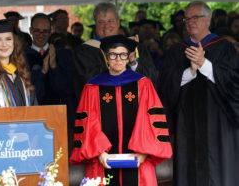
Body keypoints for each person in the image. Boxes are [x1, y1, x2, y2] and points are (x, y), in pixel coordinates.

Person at [70, 35, 172, 186]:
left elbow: (151, 121)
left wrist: (143, 153)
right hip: (102, 159)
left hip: (138, 159)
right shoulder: (92, 87)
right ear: (106, 57)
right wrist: (99, 152)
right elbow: (87, 122)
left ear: (128, 57)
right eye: (113, 54)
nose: (118, 59)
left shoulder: (143, 85)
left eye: (123, 54)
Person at [159, 1, 239, 186]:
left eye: (196, 17)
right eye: (187, 18)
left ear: (208, 19)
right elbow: (166, 87)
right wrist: (190, 72)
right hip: (186, 126)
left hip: (218, 125)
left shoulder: (224, 48)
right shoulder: (177, 51)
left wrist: (205, 65)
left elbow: (235, 85)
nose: (190, 22)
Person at [72, 2, 157, 101]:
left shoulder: (135, 47)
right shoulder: (84, 51)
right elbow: (84, 83)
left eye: (110, 21)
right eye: (101, 22)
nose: (106, 26)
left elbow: (151, 80)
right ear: (96, 25)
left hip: (134, 109)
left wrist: (132, 61)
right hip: (101, 110)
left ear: (118, 22)